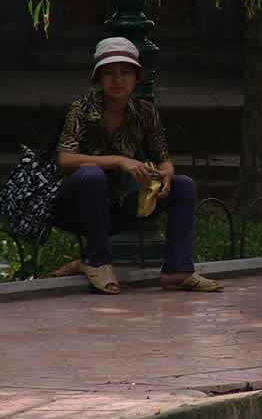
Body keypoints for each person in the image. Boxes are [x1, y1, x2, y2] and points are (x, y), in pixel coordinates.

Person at [53, 37, 223, 295]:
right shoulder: (81, 109)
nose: (117, 80)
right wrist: (120, 161)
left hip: (115, 209)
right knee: (92, 175)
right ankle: (97, 261)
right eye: (109, 73)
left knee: (183, 186)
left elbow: (163, 157)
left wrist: (165, 175)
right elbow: (66, 159)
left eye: (125, 73)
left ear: (136, 78)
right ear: (98, 78)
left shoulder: (145, 112)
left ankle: (178, 269)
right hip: (75, 207)